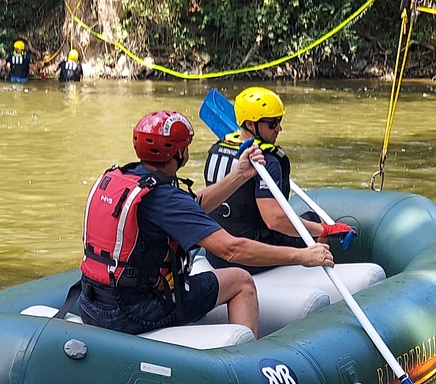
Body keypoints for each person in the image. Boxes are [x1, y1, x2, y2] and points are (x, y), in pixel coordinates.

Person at [77, 109, 333, 338]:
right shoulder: (166, 198)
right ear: (180, 153)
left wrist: (240, 175)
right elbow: (231, 250)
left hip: (92, 303)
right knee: (240, 281)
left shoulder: (125, 180)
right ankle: (245, 362)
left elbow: (191, 206)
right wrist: (302, 255)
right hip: (134, 312)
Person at [203, 87, 352, 274]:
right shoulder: (266, 161)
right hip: (250, 254)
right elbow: (275, 220)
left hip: (215, 252)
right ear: (250, 124)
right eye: (273, 123)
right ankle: (316, 273)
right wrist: (323, 230)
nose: (279, 128)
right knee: (314, 220)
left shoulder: (217, 149)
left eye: (279, 121)